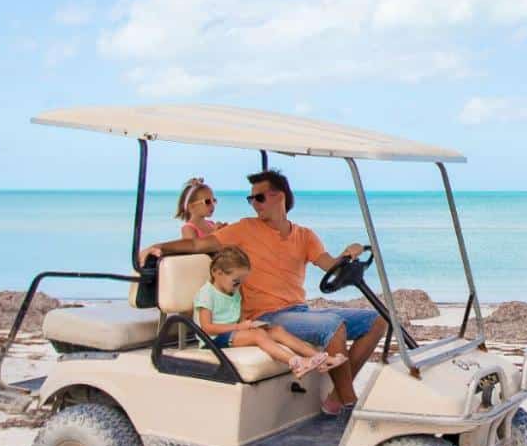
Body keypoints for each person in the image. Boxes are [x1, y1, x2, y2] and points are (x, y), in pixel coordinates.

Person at [143, 169, 384, 412]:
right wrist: (159, 247)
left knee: (377, 321)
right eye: (251, 199)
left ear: (279, 197)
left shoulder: (305, 236)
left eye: (259, 198)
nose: (253, 205)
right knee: (334, 325)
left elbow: (332, 266)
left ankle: (337, 398)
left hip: (298, 311)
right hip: (266, 317)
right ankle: (350, 405)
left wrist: (349, 252)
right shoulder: (245, 229)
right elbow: (197, 243)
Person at [193, 246, 332, 390]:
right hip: (214, 340)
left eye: (241, 282)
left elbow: (237, 318)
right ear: (217, 273)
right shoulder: (207, 294)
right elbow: (207, 328)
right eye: (235, 281)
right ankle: (297, 363)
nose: (238, 286)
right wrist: (239, 327)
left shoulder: (234, 292)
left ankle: (321, 358)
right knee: (258, 335)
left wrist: (248, 325)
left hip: (232, 333)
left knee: (276, 330)